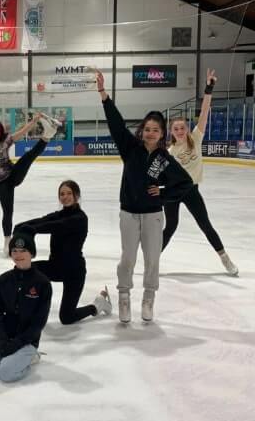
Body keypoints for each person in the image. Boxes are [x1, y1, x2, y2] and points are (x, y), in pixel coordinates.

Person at [97, 71, 192, 323]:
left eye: (155, 130)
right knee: (127, 258)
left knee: (152, 259)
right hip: (128, 214)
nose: (150, 133)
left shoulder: (165, 159)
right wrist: (104, 95)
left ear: (162, 134)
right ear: (142, 131)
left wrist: (162, 193)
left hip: (152, 216)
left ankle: (149, 298)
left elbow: (185, 184)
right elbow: (116, 124)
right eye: (147, 129)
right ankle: (124, 296)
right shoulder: (130, 149)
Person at [163, 69, 238, 276]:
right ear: (171, 132)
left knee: (205, 225)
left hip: (191, 190)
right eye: (175, 129)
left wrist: (209, 87)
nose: (179, 131)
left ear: (186, 129)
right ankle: (152, 261)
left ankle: (225, 259)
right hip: (172, 193)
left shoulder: (196, 138)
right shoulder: (170, 152)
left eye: (182, 127)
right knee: (170, 227)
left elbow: (205, 111)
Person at [14, 180, 112, 324]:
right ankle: (28, 308)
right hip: (55, 267)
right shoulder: (59, 214)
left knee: (66, 317)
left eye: (69, 193)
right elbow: (42, 220)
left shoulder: (80, 218)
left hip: (74, 272)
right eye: (62, 194)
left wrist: (31, 230)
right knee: (22, 270)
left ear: (76, 195)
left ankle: (98, 304)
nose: (65, 197)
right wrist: (21, 226)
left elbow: (55, 226)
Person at [0, 103, 58, 255]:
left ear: (0, 132)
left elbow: (22, 132)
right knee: (8, 212)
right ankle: (7, 241)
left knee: (28, 157)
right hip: (1, 184)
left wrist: (34, 121)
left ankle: (47, 135)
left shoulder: (6, 140)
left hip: (13, 175)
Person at [0, 233, 51, 383]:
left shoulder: (43, 283)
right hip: (3, 335)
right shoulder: (3, 280)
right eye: (14, 251)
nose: (18, 255)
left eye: (23, 251)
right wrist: (1, 340)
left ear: (32, 253)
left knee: (6, 373)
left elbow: (38, 323)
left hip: (26, 339)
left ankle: (30, 356)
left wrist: (16, 344)